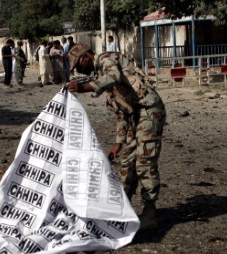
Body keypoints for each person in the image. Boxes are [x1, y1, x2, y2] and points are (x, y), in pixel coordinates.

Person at [67, 44, 166, 231]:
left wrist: (86, 87)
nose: (79, 70)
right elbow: (120, 111)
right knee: (127, 163)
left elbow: (115, 76)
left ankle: (150, 212)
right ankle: (122, 208)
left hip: (149, 110)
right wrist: (118, 144)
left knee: (144, 161)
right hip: (133, 116)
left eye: (78, 65)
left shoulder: (105, 59)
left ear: (86, 57)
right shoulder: (101, 76)